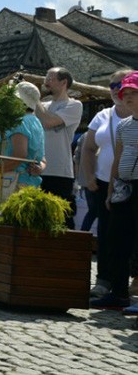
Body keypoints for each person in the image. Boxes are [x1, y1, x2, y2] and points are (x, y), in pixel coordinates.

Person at [79, 70, 133, 299]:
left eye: (120, 85)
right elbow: (88, 148)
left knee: (129, 235)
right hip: (105, 182)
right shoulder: (104, 116)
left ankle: (131, 281)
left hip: (132, 182)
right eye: (112, 85)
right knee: (107, 232)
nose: (115, 89)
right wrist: (89, 177)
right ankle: (105, 281)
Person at [94, 70, 138, 310]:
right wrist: (111, 191)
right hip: (124, 187)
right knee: (117, 241)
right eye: (125, 93)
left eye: (134, 93)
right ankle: (119, 293)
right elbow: (117, 159)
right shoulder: (123, 125)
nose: (128, 97)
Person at [37, 67, 83, 227]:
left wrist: (34, 99)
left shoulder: (74, 105)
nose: (45, 82)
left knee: (61, 219)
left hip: (59, 172)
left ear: (64, 83)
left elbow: (49, 122)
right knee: (39, 218)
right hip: (37, 169)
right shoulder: (43, 104)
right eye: (46, 78)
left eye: (50, 79)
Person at [0, 81, 46, 192]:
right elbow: (43, 159)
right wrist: (39, 168)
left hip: (12, 182)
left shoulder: (19, 122)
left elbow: (19, 156)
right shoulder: (36, 122)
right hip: (29, 183)